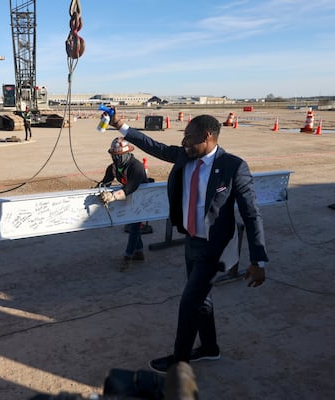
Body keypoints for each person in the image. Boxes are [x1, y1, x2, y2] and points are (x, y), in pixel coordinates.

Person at [108, 111, 268, 374]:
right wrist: (121, 126)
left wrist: (257, 260)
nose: (184, 142)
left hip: (213, 248)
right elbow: (155, 146)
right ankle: (210, 348)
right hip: (191, 240)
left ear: (207, 136)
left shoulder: (233, 166)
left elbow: (251, 214)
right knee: (201, 299)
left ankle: (180, 362)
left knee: (189, 303)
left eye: (189, 137)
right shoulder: (185, 156)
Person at [98, 137, 149, 271]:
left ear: (126, 154)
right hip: (129, 197)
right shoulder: (113, 168)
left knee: (134, 226)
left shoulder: (136, 167)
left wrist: (113, 196)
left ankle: (128, 257)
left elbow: (131, 187)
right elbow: (105, 182)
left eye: (118, 156)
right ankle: (139, 252)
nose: (116, 159)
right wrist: (98, 190)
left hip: (143, 199)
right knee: (134, 225)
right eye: (114, 156)